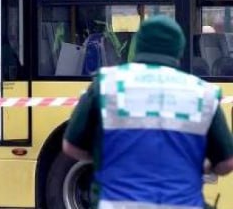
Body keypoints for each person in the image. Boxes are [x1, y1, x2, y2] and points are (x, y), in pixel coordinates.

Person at [63, 15, 233, 208]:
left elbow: (70, 146)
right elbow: (227, 163)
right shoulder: (203, 94)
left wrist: (106, 158)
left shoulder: (106, 85)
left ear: (139, 44)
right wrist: (201, 167)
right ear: (179, 49)